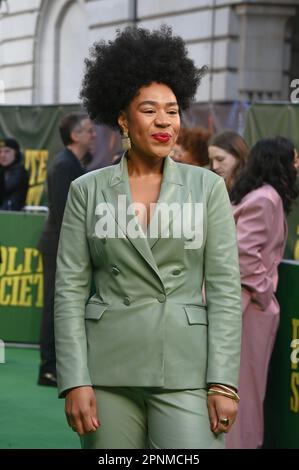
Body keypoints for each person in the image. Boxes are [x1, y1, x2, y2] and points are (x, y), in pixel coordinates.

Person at [54, 26, 242, 449]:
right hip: (106, 372)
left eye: (173, 111)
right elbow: (69, 290)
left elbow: (227, 291)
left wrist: (223, 382)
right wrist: (75, 379)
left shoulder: (208, 187)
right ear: (123, 118)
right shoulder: (87, 190)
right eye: (149, 109)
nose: (164, 122)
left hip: (186, 370)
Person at [227, 137, 299, 449]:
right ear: (279, 163)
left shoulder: (259, 196)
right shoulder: (267, 199)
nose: (297, 166)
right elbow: (243, 253)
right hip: (247, 309)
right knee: (244, 387)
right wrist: (265, 293)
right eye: (294, 159)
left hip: (245, 307)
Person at [37, 112, 96, 387]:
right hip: (58, 246)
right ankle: (48, 368)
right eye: (88, 130)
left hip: (64, 247)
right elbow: (64, 214)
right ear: (75, 135)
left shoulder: (73, 164)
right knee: (54, 305)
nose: (93, 134)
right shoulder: (64, 166)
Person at [0, 138, 29, 211]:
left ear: (16, 153)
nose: (2, 155)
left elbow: (7, 189)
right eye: (0, 152)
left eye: (7, 151)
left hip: (11, 216)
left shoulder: (19, 171)